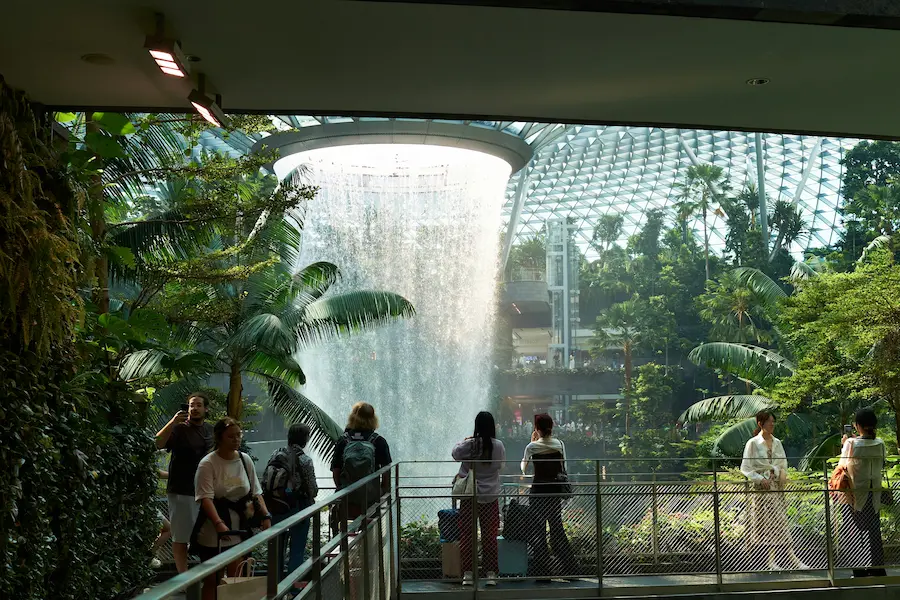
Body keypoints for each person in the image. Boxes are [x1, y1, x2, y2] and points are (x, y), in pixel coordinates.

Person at [194, 417, 272, 600]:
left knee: (237, 577)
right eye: (231, 436)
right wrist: (218, 523)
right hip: (214, 532)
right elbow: (205, 498)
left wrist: (265, 515)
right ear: (219, 438)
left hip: (240, 529)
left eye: (239, 435)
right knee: (213, 580)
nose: (236, 439)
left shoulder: (244, 460)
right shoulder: (208, 464)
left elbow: (256, 492)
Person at [740, 410, 807, 570]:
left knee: (778, 522)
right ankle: (779, 559)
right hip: (762, 490)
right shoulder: (752, 443)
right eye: (769, 421)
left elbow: (782, 463)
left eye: (773, 421)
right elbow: (746, 467)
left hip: (776, 487)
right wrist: (759, 479)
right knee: (770, 524)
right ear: (760, 423)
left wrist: (780, 472)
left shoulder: (777, 442)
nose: (772, 424)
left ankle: (783, 559)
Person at [155, 391, 214, 573]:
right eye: (191, 405)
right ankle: (184, 577)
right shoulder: (179, 428)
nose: (194, 408)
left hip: (206, 490)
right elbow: (157, 443)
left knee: (207, 534)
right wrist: (173, 422)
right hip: (181, 490)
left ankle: (209, 574)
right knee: (180, 536)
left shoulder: (210, 430)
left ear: (206, 409)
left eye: (198, 405)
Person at [451, 411, 506, 587]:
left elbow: (454, 453)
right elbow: (500, 465)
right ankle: (491, 574)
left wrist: (465, 440)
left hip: (469, 495)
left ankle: (468, 574)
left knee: (467, 535)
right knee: (490, 536)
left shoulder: (470, 445)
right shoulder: (498, 446)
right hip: (490, 496)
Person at [521, 413, 575, 579]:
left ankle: (542, 571)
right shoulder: (559, 444)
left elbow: (523, 468)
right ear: (552, 427)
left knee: (538, 530)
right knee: (556, 527)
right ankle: (570, 568)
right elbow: (564, 466)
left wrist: (533, 441)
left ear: (536, 428)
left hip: (538, 491)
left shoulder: (532, 446)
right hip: (554, 491)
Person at [837, 407, 887, 577]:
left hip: (854, 494)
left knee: (853, 531)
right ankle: (878, 568)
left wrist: (845, 443)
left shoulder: (851, 444)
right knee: (874, 531)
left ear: (857, 425)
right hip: (874, 493)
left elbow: (842, 465)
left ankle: (858, 569)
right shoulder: (880, 443)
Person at [270, 424, 318, 586]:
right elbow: (312, 489)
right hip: (299, 510)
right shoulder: (305, 460)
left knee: (276, 550)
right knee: (297, 550)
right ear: (305, 439)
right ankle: (293, 588)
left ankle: (275, 588)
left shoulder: (276, 454)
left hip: (277, 507)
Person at [331, 402, 392, 523]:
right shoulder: (379, 441)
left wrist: (341, 489)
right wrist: (381, 493)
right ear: (373, 419)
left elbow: (336, 470)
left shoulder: (343, 440)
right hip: (371, 496)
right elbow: (386, 474)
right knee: (371, 528)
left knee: (345, 527)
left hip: (348, 495)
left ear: (353, 417)